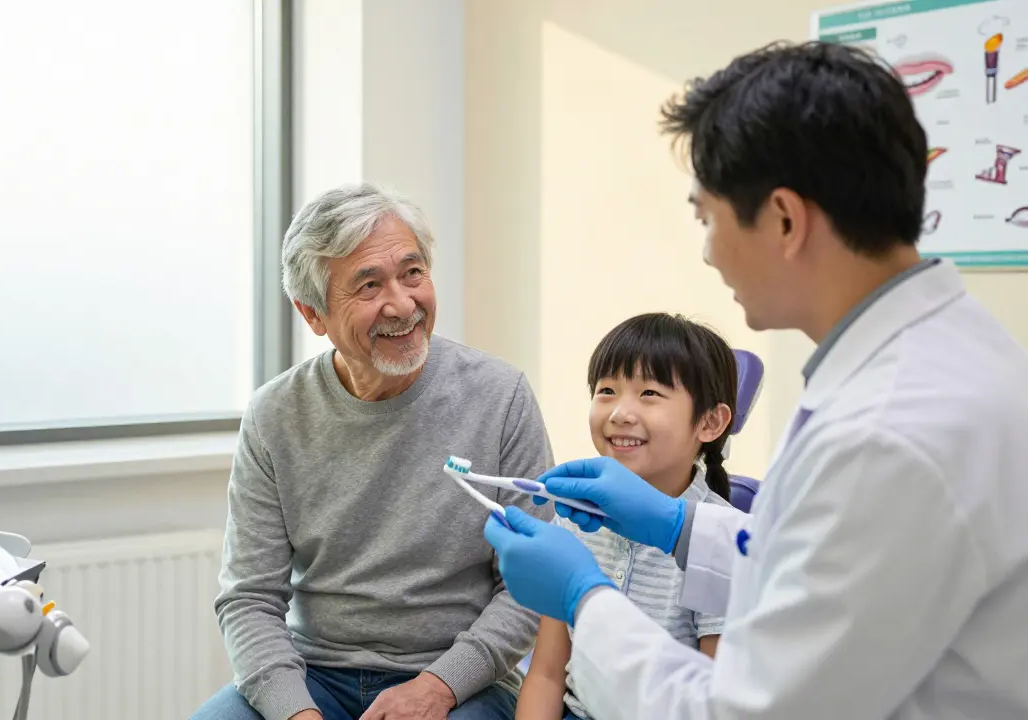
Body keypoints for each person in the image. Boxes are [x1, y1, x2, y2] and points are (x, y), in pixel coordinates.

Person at [482, 40, 1028, 719]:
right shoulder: (945, 350)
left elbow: (746, 711)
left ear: (784, 220)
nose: (708, 252)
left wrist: (582, 598)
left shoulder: (888, 431)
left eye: (706, 218)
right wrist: (681, 529)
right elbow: (837, 579)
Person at [192, 182, 556, 720]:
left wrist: (438, 686)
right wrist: (296, 712)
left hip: (461, 682)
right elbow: (249, 599)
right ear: (313, 315)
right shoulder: (274, 415)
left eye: (413, 273)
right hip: (315, 675)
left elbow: (531, 585)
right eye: (368, 286)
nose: (402, 304)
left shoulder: (500, 398)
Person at [516, 313, 737, 720]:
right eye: (607, 390)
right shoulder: (572, 520)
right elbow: (547, 674)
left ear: (710, 422)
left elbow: (719, 702)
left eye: (649, 393)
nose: (620, 412)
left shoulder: (718, 548)